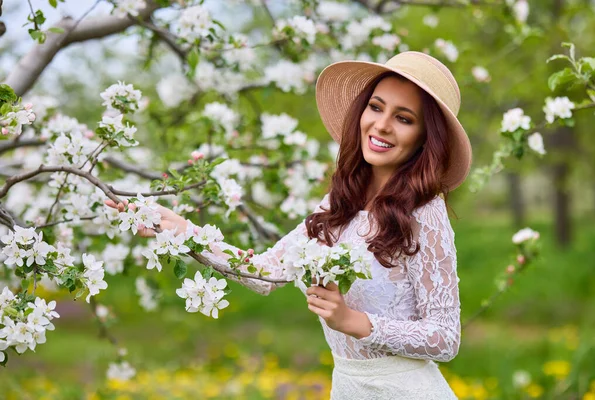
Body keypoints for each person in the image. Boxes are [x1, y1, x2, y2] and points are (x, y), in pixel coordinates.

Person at [107, 51, 471, 399]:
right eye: (376, 107)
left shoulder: (425, 213)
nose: (382, 125)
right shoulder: (339, 203)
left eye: (403, 118)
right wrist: (182, 230)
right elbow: (264, 272)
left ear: (425, 139)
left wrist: (354, 321)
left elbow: (445, 337)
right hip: (348, 387)